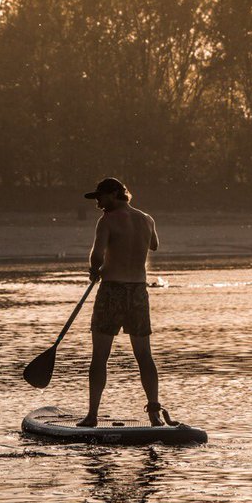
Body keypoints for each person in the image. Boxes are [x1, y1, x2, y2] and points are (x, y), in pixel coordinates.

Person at [78, 177, 165, 428]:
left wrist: (95, 270)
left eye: (101, 197)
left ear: (116, 194)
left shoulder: (106, 220)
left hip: (112, 291)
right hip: (138, 292)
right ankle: (154, 414)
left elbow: (97, 256)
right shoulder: (147, 219)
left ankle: (92, 416)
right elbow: (154, 245)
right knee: (144, 355)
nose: (98, 203)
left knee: (100, 356)